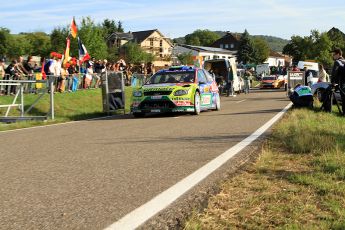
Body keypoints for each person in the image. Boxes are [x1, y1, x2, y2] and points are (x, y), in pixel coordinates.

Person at [331, 48, 345, 115]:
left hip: (341, 83)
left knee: (343, 98)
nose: (333, 56)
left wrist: (332, 82)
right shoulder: (344, 61)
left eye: (334, 54)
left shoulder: (337, 62)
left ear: (338, 54)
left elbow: (334, 74)